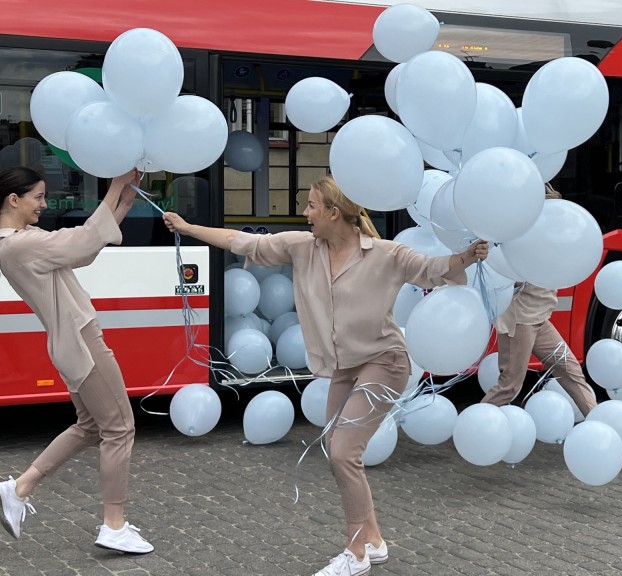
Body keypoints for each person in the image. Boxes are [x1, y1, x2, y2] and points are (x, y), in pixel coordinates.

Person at [163, 176, 488, 576]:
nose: (305, 214)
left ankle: (356, 556)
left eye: (312, 206)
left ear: (335, 212)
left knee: (343, 452)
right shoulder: (303, 248)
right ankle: (374, 539)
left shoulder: (386, 254)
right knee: (338, 452)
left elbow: (434, 269)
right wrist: (188, 227)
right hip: (342, 367)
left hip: (384, 362)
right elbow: (241, 242)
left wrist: (469, 256)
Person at [0, 166, 153, 554]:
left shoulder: (19, 241)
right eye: (38, 196)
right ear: (13, 200)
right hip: (81, 340)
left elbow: (79, 251)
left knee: (89, 426)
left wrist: (120, 207)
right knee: (119, 428)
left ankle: (18, 489)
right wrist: (117, 186)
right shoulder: (19, 244)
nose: (44, 204)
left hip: (68, 341)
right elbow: (82, 243)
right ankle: (113, 526)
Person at [481, 185, 597, 417]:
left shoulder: (549, 237)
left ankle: (599, 421)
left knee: (570, 370)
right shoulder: (518, 239)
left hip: (539, 318)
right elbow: (503, 275)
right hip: (520, 320)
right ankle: (475, 425)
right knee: (510, 385)